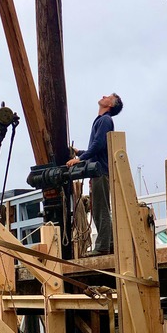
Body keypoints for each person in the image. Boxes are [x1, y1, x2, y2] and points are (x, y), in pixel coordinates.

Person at [66, 93, 123, 256]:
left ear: (110, 105)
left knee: (100, 209)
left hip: (100, 171)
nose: (104, 96)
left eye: (108, 97)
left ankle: (103, 246)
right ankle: (109, 244)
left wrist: (80, 159)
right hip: (99, 170)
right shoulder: (102, 121)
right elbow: (98, 149)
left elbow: (98, 145)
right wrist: (79, 152)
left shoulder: (105, 120)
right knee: (100, 207)